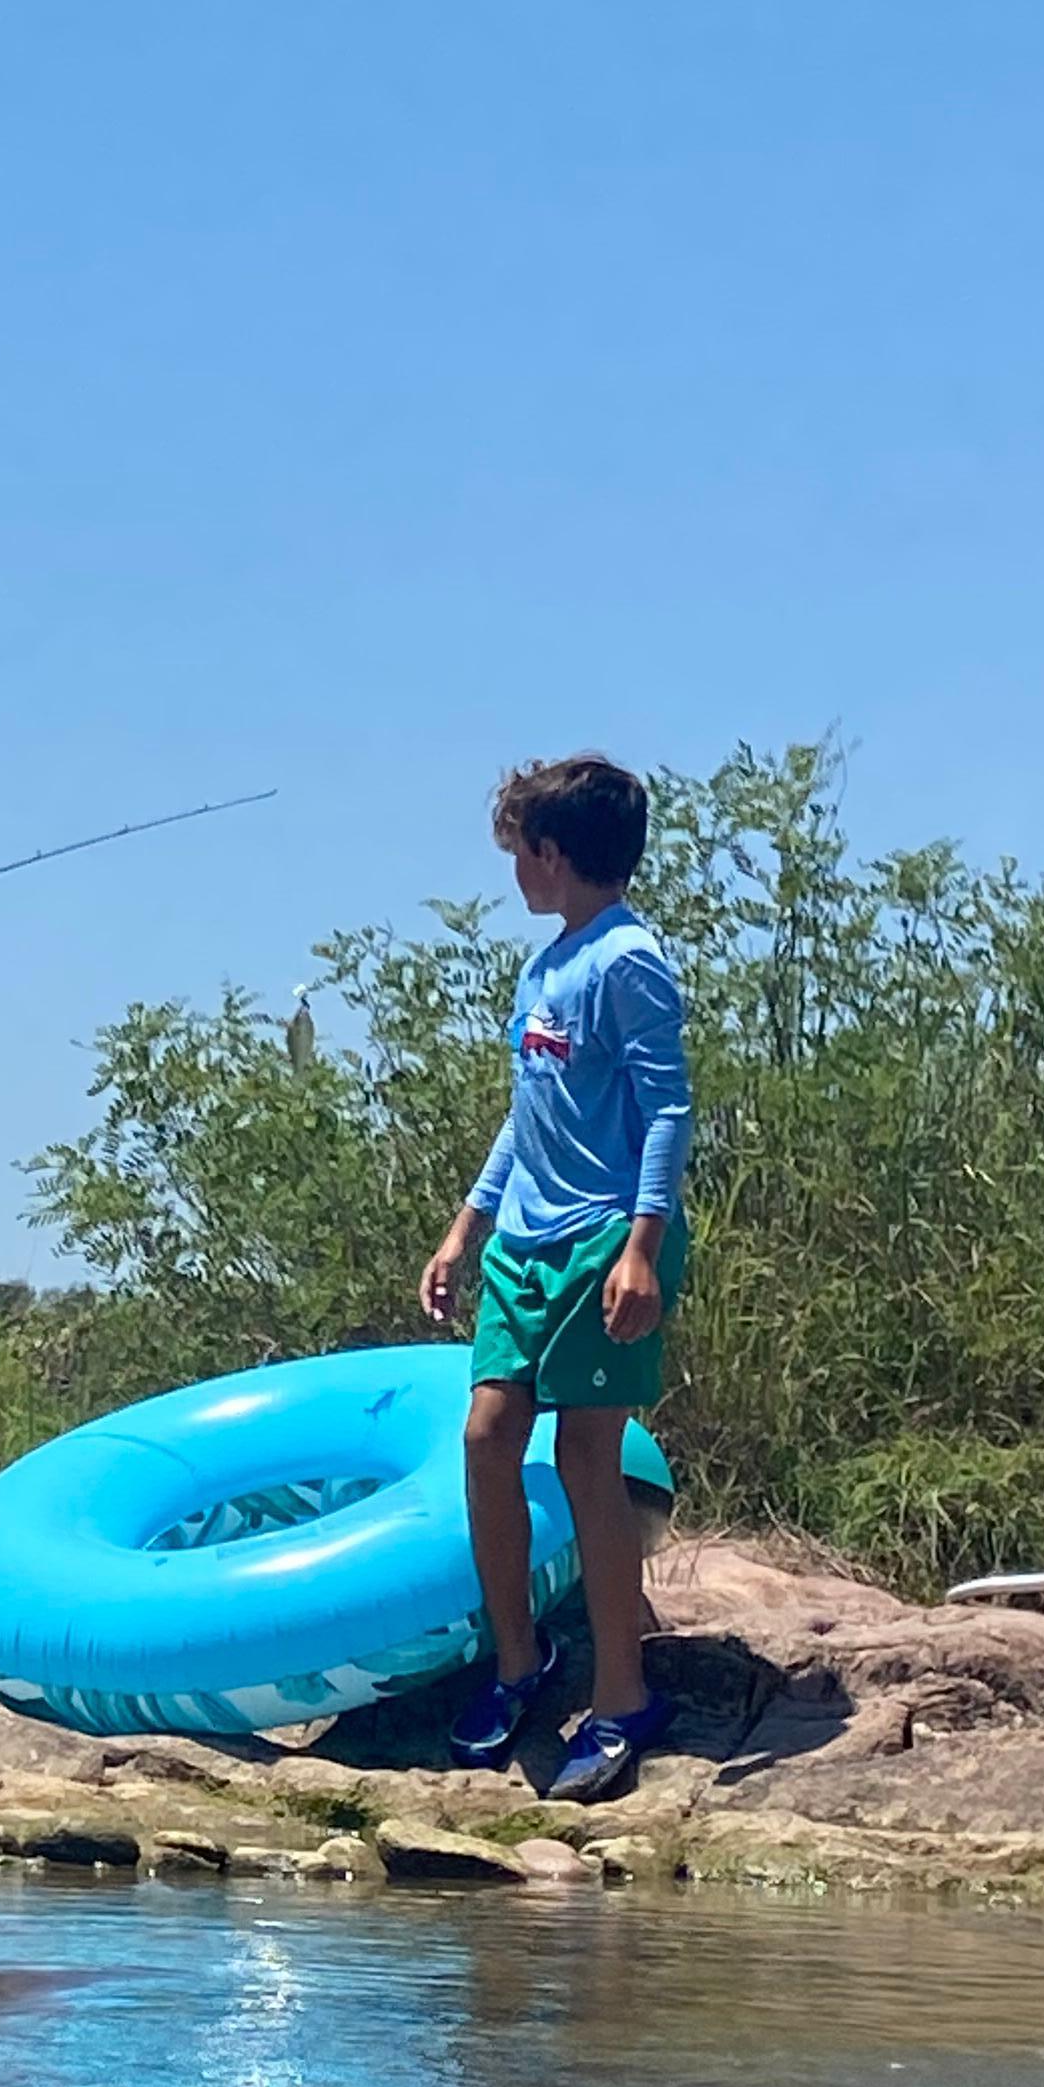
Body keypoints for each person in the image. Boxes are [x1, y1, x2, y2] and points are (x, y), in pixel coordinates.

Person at [418, 753, 694, 1807]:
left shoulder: (629, 962)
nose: (514, 872)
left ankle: (623, 1697)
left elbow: (667, 1109)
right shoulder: (545, 968)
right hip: (524, 1241)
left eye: (521, 851)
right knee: (489, 1434)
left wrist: (641, 1248)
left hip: (603, 1238)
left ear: (554, 851)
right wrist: (465, 1227)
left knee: (588, 1451)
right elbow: (527, 1110)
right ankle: (517, 1664)